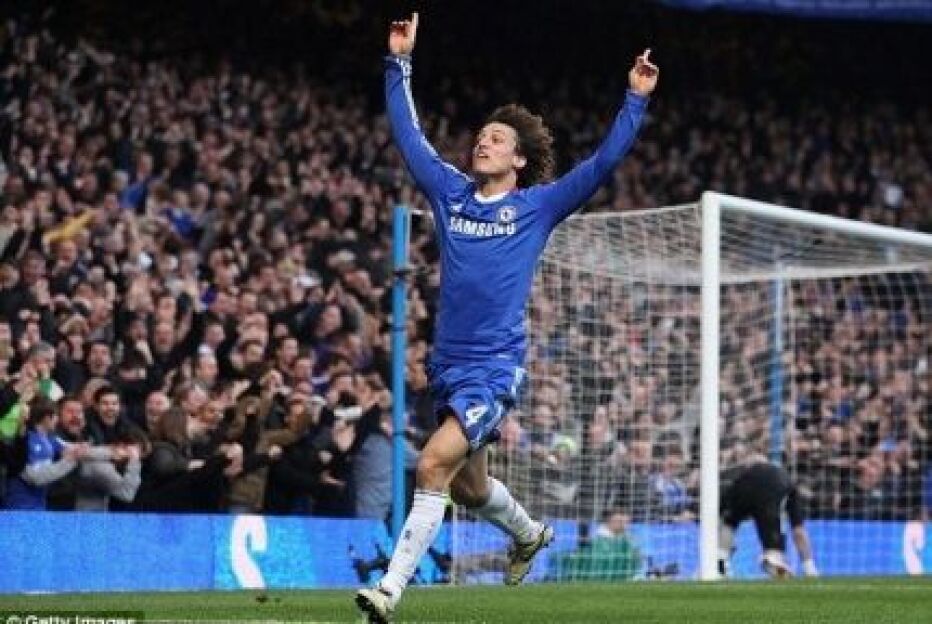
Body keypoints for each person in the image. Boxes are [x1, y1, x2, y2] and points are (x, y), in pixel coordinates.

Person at [356, 13, 658, 622]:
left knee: (432, 464)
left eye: (496, 139)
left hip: (494, 367)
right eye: (482, 136)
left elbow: (602, 163)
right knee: (469, 488)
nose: (483, 142)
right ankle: (527, 534)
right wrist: (399, 62)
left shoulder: (538, 207)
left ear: (518, 159)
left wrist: (635, 99)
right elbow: (409, 136)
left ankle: (389, 590)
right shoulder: (450, 193)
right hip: (447, 364)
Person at [718, 457, 819, 578]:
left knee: (730, 521)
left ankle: (720, 558)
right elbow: (799, 532)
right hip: (773, 487)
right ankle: (773, 556)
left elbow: (720, 514)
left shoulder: (739, 478)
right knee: (773, 524)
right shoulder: (789, 487)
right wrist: (809, 568)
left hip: (743, 483)